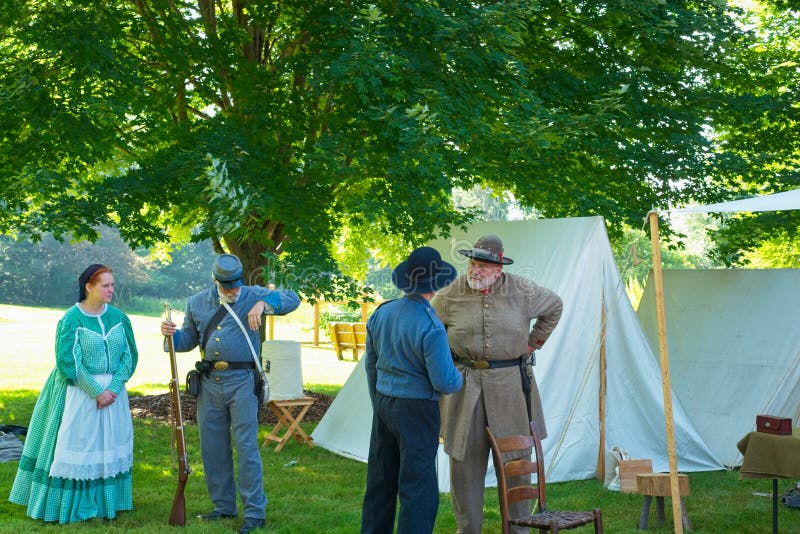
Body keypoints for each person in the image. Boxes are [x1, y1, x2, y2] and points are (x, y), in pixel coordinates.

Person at [431, 235, 563, 534]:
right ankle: (468, 530)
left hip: (511, 388)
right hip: (465, 389)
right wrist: (443, 362)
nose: (476, 271)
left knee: (516, 463)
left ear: (499, 268)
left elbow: (554, 305)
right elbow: (430, 329)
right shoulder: (450, 293)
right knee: (464, 466)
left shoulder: (523, 289)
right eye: (473, 264)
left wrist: (533, 343)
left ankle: (519, 528)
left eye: (484, 266)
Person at [160, 253, 300, 534]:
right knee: (213, 448)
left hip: (243, 381)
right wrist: (170, 335)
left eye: (237, 284)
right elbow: (188, 339)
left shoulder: (252, 294)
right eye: (228, 287)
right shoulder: (197, 302)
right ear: (216, 282)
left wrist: (263, 302)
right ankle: (223, 507)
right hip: (210, 381)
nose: (235, 291)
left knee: (247, 448)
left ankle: (254, 513)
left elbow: (293, 298)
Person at [9, 264, 139, 523]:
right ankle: (71, 505)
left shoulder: (119, 318)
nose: (111, 289)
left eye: (112, 284)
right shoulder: (71, 319)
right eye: (106, 285)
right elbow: (68, 362)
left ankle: (105, 504)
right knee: (79, 445)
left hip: (113, 396)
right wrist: (96, 392)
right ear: (89, 287)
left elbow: (130, 356)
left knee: (109, 446)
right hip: (78, 394)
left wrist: (111, 390)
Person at [361, 246, 464, 534]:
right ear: (437, 284)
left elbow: (372, 365)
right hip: (417, 409)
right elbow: (445, 382)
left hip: (384, 402)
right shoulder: (431, 326)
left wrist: (379, 401)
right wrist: (461, 377)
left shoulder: (382, 313)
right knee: (417, 488)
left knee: (380, 482)